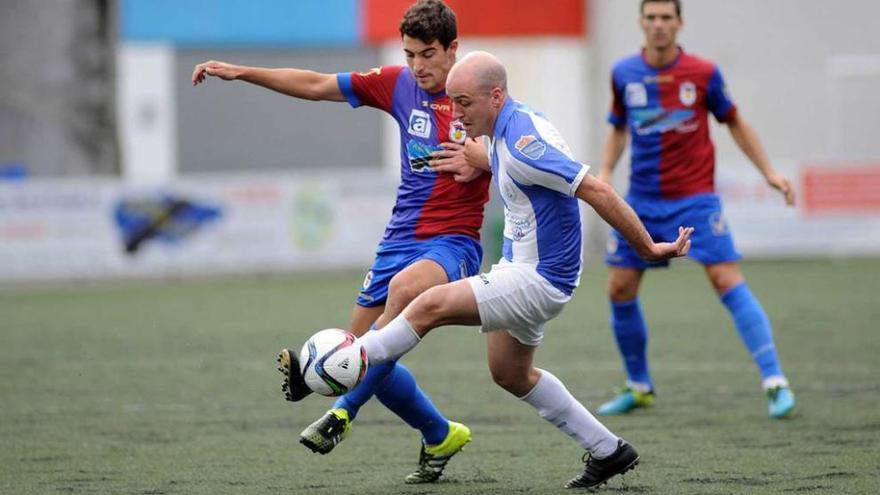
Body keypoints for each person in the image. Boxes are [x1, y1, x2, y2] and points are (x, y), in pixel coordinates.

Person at [283, 51, 694, 489]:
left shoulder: (521, 145)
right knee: (510, 373)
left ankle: (348, 362)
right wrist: (478, 160)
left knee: (428, 305)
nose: (454, 113)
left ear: (495, 97)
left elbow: (594, 189)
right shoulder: (508, 126)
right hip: (526, 269)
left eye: (462, 103)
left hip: (538, 277)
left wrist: (648, 246)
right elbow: (505, 164)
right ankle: (608, 450)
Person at [192, 0, 491, 483]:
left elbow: (529, 154)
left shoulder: (478, 92)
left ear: (453, 49)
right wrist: (242, 72)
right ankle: (439, 435)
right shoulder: (398, 84)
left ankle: (341, 414)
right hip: (397, 240)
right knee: (363, 356)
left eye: (428, 55)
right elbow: (315, 84)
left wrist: (485, 160)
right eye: (410, 54)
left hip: (452, 243)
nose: (419, 66)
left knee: (401, 300)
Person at [595, 0, 796, 419]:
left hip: (695, 199)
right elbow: (618, 128)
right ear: (641, 24)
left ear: (679, 23)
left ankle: (775, 380)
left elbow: (735, 122)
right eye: (651, 18)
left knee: (725, 278)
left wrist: (770, 173)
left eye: (667, 17)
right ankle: (639, 386)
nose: (659, 25)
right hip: (642, 201)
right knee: (619, 288)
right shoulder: (624, 73)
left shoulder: (703, 73)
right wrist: (607, 170)